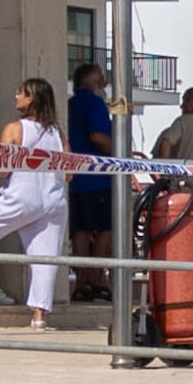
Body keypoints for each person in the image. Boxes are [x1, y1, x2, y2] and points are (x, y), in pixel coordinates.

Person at [0, 76, 74, 321]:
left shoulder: (15, 128)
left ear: (33, 98)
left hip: (22, 196)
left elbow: (1, 171)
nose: (16, 96)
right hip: (53, 200)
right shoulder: (58, 133)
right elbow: (69, 174)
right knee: (45, 258)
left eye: (22, 92)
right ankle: (39, 316)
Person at [64, 60, 121, 300]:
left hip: (75, 177)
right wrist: (121, 154)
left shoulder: (69, 105)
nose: (104, 84)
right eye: (100, 79)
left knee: (81, 231)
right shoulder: (95, 104)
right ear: (89, 82)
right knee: (106, 229)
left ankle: (81, 283)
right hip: (97, 178)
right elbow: (98, 136)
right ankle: (97, 280)